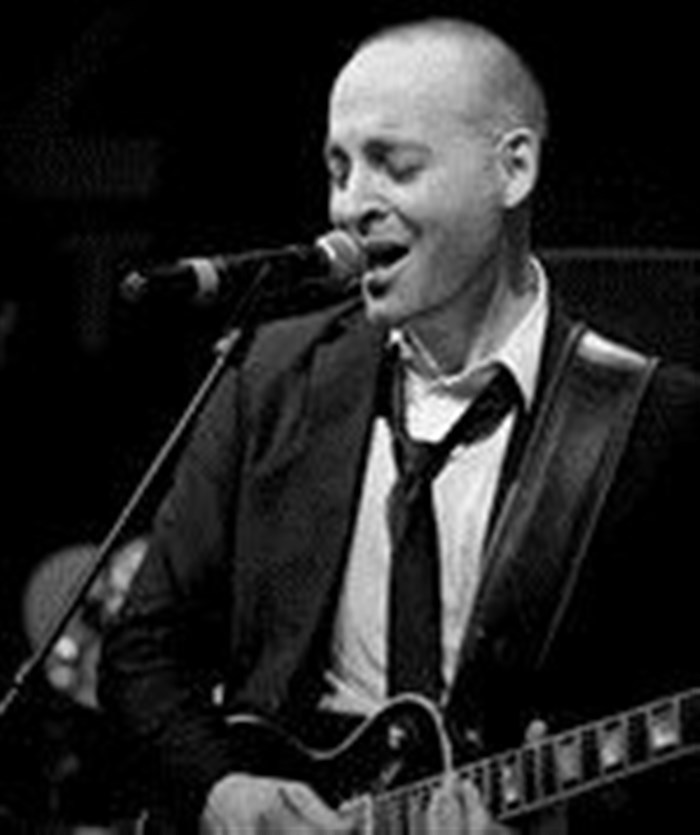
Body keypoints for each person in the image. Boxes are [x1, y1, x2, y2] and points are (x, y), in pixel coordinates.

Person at [99, 16, 700, 834]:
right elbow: (142, 651)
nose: (350, 204)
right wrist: (223, 790)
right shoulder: (269, 375)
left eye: (395, 166)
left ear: (513, 168)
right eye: (339, 168)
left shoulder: (651, 421)